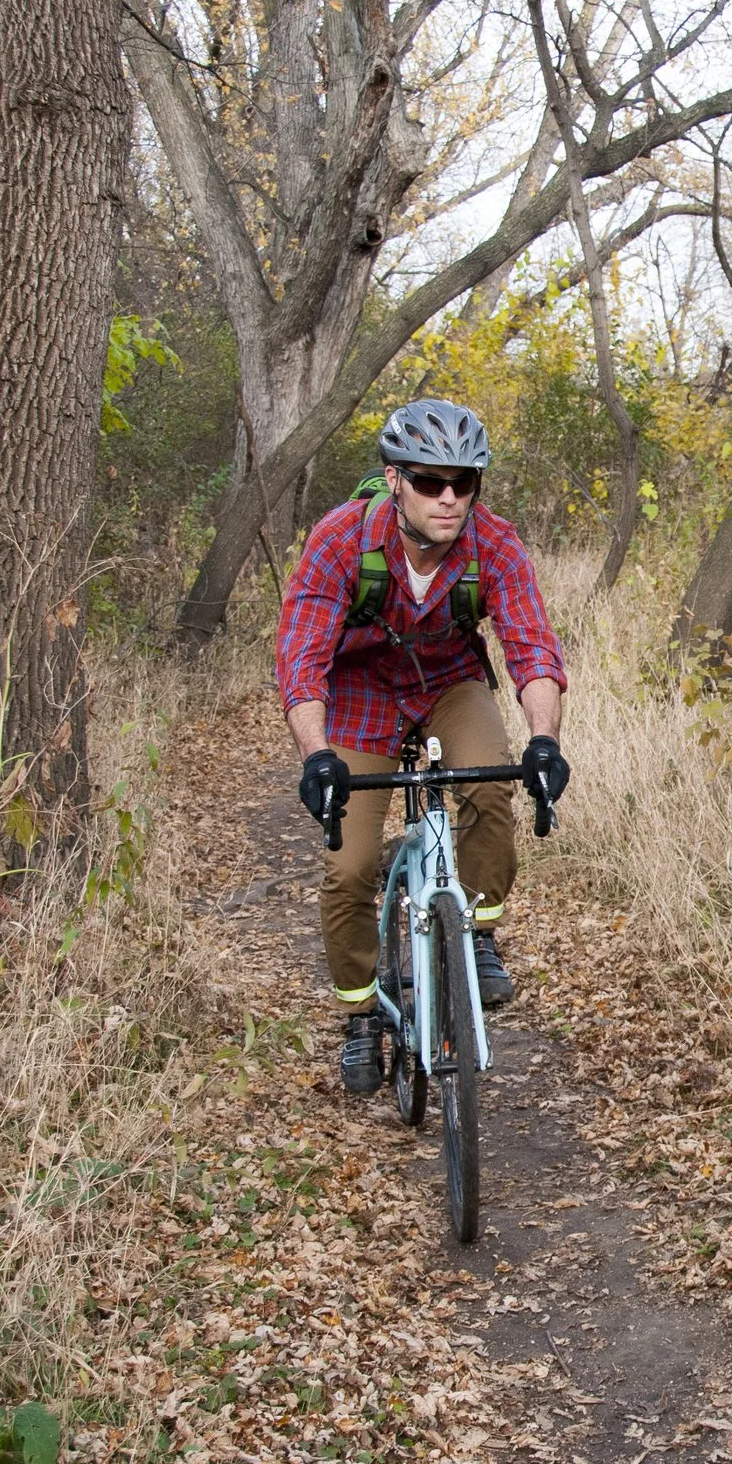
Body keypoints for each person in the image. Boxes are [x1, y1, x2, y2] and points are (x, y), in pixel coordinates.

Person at [274, 399, 572, 1089]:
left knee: (488, 781)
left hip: (448, 681)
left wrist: (545, 741)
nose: (449, 498)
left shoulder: (493, 544)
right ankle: (360, 1017)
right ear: (394, 479)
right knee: (348, 867)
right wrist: (317, 755)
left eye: (463, 483)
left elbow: (532, 648)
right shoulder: (340, 538)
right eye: (431, 481)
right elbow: (301, 654)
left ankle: (480, 933)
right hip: (359, 696)